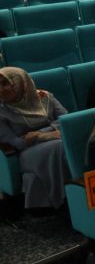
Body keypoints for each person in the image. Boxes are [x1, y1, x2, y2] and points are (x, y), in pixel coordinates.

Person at [0, 67, 68, 209]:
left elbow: (66, 120)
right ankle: (65, 197)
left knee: (68, 142)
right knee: (60, 146)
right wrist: (46, 135)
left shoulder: (44, 96)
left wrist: (40, 133)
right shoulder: (2, 110)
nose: (1, 89)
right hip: (26, 152)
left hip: (51, 138)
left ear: (20, 83)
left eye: (5, 83)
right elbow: (17, 143)